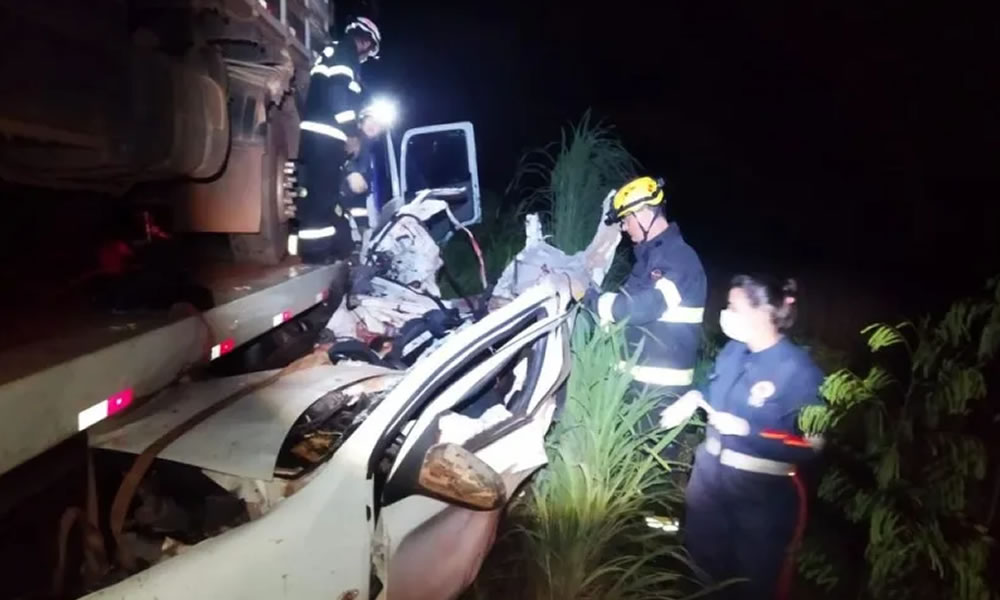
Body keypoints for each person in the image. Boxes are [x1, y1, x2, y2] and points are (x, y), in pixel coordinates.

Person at [660, 275, 825, 599]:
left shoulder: (799, 371)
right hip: (709, 491)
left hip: (759, 501)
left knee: (751, 587)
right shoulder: (733, 352)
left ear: (762, 313)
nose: (726, 313)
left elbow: (812, 444)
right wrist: (694, 397)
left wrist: (750, 432)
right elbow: (714, 390)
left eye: (734, 307)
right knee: (701, 578)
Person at [585, 175, 707, 411]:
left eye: (625, 219)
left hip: (659, 402)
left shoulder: (680, 259)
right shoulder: (648, 260)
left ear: (642, 214)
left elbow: (639, 308)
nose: (623, 227)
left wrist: (588, 297)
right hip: (632, 394)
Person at [294, 16, 382, 264]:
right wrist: (351, 133)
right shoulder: (346, 53)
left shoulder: (332, 52)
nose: (366, 55)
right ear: (365, 41)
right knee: (321, 200)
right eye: (369, 49)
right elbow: (337, 94)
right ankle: (316, 255)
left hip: (317, 134)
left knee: (322, 197)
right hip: (327, 135)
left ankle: (324, 251)